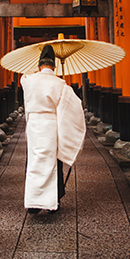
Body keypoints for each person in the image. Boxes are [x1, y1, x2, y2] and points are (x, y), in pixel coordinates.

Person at [20, 44, 86, 214]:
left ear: (38, 65)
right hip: (51, 125)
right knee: (53, 162)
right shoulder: (60, 84)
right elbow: (73, 107)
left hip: (34, 126)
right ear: (55, 66)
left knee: (34, 162)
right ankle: (52, 202)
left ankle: (33, 203)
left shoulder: (27, 80)